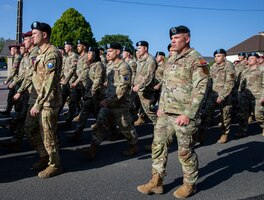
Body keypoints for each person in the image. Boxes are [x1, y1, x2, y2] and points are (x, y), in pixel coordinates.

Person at [137, 25, 209, 199]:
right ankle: (156, 182)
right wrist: (160, 106)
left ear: (187, 38)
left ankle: (189, 184)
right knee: (158, 146)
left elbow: (201, 88)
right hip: (166, 113)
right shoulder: (172, 58)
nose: (173, 41)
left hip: (184, 115)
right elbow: (166, 86)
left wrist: (189, 113)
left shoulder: (196, 59)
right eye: (171, 39)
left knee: (185, 152)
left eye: (177, 38)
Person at [79, 42, 139, 159]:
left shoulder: (124, 67)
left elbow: (123, 87)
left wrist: (108, 101)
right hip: (109, 101)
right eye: (107, 51)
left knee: (125, 126)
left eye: (111, 51)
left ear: (118, 52)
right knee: (100, 123)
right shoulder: (110, 66)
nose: (108, 53)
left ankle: (134, 145)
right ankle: (93, 148)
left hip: (120, 103)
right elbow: (110, 83)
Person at [25, 21, 62, 178]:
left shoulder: (51, 54)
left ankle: (55, 164)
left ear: (44, 34)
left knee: (48, 134)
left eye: (35, 33)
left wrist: (39, 103)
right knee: (29, 128)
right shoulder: (40, 53)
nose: (32, 36)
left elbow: (49, 82)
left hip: (47, 102)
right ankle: (44, 156)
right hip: (36, 99)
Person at [68, 47, 105, 141]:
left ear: (94, 54)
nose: (87, 55)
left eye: (89, 53)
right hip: (89, 94)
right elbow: (84, 76)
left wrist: (91, 93)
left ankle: (110, 132)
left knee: (100, 117)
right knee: (84, 114)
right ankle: (77, 133)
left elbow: (97, 80)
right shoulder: (90, 65)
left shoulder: (98, 65)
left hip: (96, 95)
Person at [199, 48, 235, 144]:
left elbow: (230, 82)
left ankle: (224, 134)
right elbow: (209, 80)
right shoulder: (214, 66)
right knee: (206, 113)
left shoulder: (229, 65)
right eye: (215, 56)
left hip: (224, 95)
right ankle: (202, 133)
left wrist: (222, 96)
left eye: (219, 56)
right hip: (213, 94)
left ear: (224, 57)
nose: (216, 58)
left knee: (225, 116)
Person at [235, 52, 264, 137]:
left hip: (258, 96)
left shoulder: (262, 70)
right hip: (245, 96)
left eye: (252, 58)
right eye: (248, 58)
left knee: (258, 114)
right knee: (243, 114)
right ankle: (242, 131)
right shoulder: (245, 71)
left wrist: (263, 96)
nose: (249, 60)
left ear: (257, 59)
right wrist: (239, 94)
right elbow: (242, 84)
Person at [133, 41, 157, 125]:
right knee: (132, 108)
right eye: (137, 49)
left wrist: (139, 86)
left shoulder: (151, 60)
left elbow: (149, 76)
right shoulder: (140, 60)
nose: (138, 50)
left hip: (146, 91)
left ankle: (160, 129)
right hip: (137, 90)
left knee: (150, 112)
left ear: (145, 48)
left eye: (139, 48)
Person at [0, 45, 21, 116]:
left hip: (16, 82)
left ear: (16, 50)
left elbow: (13, 71)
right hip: (14, 81)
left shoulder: (17, 58)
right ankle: (8, 111)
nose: (10, 51)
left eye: (11, 49)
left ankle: (17, 114)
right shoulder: (17, 57)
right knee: (11, 96)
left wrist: (6, 80)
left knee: (15, 98)